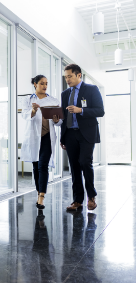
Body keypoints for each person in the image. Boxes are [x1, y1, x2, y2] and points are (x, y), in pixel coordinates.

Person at [60, 64, 104, 211]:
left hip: (86, 133)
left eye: (70, 76)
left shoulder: (92, 89)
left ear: (79, 75)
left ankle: (91, 196)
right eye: (65, 77)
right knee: (74, 167)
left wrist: (81, 110)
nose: (67, 79)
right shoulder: (65, 94)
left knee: (85, 162)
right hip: (70, 134)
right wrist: (62, 137)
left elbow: (100, 111)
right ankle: (77, 200)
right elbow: (64, 116)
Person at [21, 74, 62, 209]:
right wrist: (33, 110)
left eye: (46, 83)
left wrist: (57, 121)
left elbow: (59, 121)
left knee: (43, 165)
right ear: (35, 84)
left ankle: (41, 197)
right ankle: (39, 192)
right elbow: (25, 115)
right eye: (42, 83)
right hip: (33, 137)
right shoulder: (28, 99)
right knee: (36, 166)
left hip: (47, 137)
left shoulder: (53, 100)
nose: (45, 86)